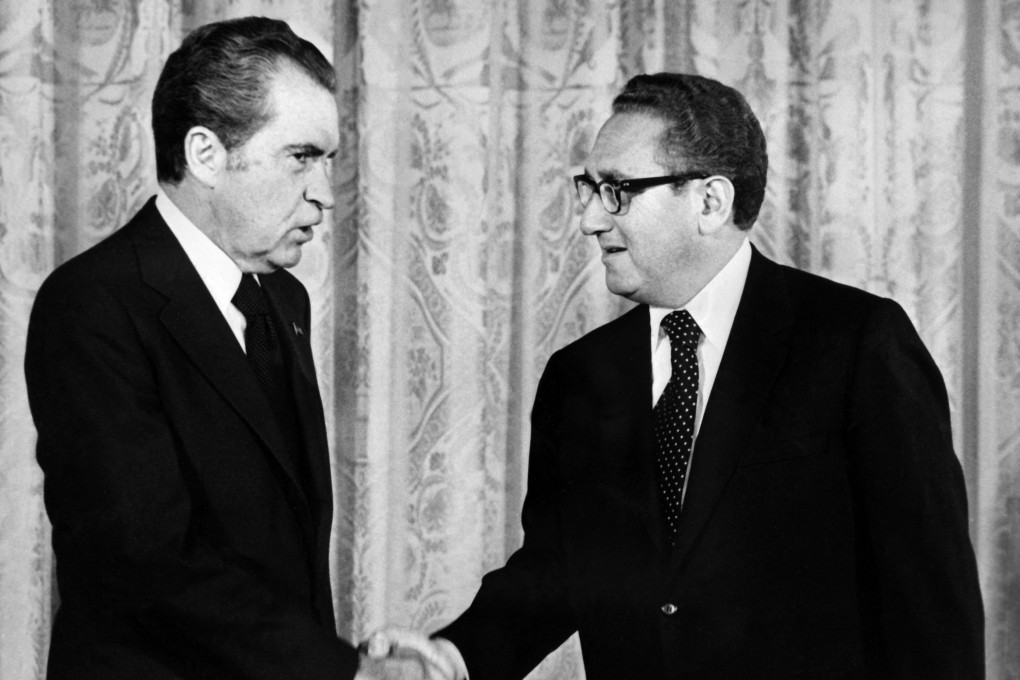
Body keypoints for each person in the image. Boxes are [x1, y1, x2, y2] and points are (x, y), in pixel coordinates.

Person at [370, 73, 986, 679]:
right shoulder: (578, 377)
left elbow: (930, 605)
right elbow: (558, 568)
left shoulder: (857, 344)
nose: (588, 220)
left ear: (710, 202)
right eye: (588, 188)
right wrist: (455, 657)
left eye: (619, 190)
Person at [25, 16, 386, 680]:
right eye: (301, 156)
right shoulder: (93, 304)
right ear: (205, 155)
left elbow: (280, 551)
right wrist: (346, 672)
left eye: (327, 161)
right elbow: (147, 564)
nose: (323, 196)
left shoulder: (283, 300)